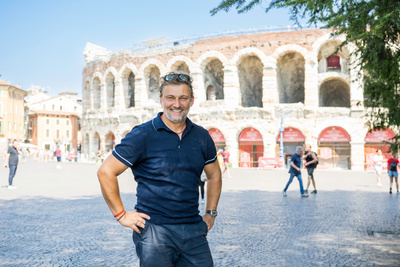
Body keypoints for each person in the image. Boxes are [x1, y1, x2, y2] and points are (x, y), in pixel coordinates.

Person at [97, 72, 222, 267]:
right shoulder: (142, 134)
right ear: (161, 99)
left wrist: (211, 213)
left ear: (192, 101)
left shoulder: (202, 136)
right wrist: (121, 215)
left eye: (183, 98)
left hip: (194, 230)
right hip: (154, 231)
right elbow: (106, 172)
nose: (177, 104)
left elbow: (214, 176)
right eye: (170, 98)